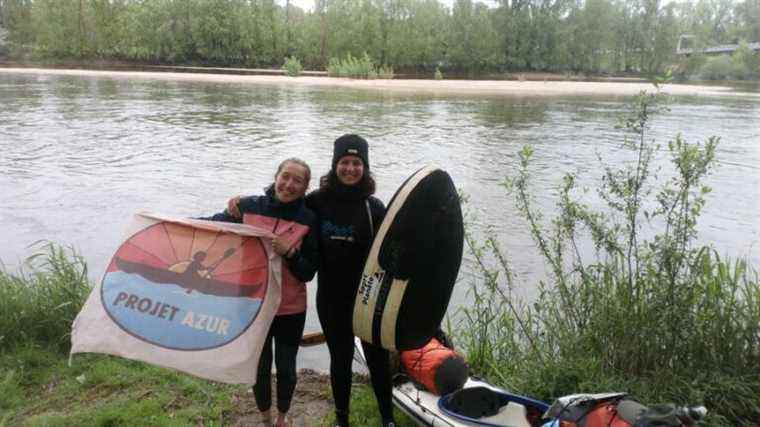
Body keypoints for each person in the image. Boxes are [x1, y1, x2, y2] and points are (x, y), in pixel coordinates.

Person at [229, 135, 394, 427]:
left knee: (377, 358)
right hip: (331, 297)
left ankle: (387, 419)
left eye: (357, 163)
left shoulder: (375, 208)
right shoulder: (317, 201)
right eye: (344, 162)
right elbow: (281, 203)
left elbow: (392, 252)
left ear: (365, 168)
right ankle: (342, 419)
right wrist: (241, 203)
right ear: (335, 165)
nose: (350, 168)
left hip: (368, 297)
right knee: (340, 358)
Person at [204, 158, 319, 427]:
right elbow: (214, 226)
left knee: (287, 368)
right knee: (260, 366)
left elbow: (308, 272)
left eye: (297, 181)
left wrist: (289, 252)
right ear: (276, 176)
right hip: (252, 304)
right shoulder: (250, 207)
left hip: (290, 308)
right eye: (285, 176)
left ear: (305, 188)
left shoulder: (308, 219)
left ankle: (282, 418)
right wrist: (170, 224)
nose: (289, 185)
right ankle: (265, 417)